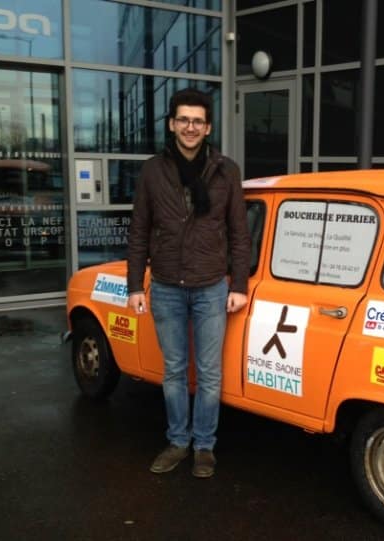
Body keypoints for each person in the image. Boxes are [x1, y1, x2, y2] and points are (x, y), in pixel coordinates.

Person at [126, 88, 250, 478]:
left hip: (211, 286)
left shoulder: (227, 171)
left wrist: (239, 285)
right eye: (183, 120)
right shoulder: (153, 171)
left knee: (210, 372)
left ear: (208, 127)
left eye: (198, 121)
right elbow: (139, 231)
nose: (190, 127)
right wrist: (134, 285)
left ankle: (204, 447)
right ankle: (178, 441)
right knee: (175, 370)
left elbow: (239, 234)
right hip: (165, 286)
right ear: (172, 124)